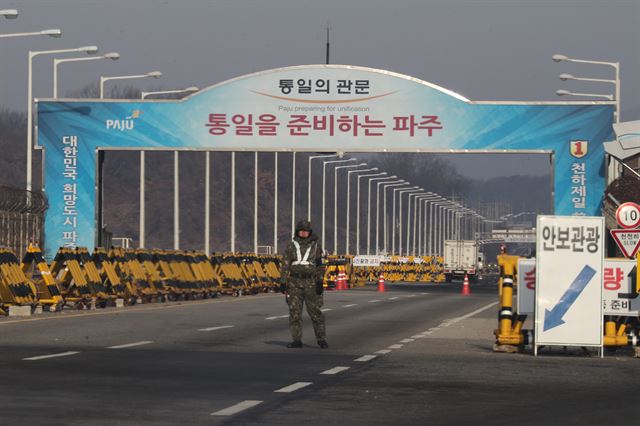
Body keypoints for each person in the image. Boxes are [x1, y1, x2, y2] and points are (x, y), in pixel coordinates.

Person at [280, 219, 328, 349]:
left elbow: (321, 265)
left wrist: (320, 281)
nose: (303, 233)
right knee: (294, 312)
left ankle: (321, 339)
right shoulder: (291, 246)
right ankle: (297, 340)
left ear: (309, 232)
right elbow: (285, 265)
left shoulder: (316, 247)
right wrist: (283, 281)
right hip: (294, 283)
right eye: (301, 231)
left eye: (305, 231)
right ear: (297, 232)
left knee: (315, 312)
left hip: (311, 283)